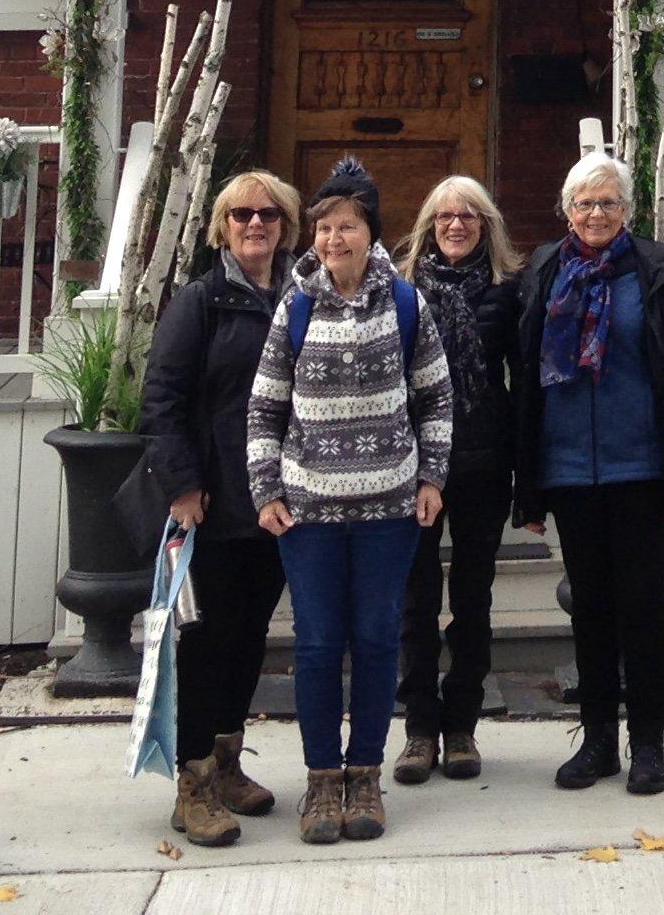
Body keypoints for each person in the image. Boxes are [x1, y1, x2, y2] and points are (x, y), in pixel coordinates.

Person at [247, 156, 452, 847]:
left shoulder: (404, 304)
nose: (335, 239)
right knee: (315, 646)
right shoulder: (296, 305)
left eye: (348, 227)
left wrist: (432, 479)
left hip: (388, 511)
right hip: (307, 516)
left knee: (374, 640)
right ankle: (320, 781)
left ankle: (365, 774)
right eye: (325, 228)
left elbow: (436, 399)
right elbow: (265, 408)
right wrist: (266, 489)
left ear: (372, 235)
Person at [509, 151, 664, 797]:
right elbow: (523, 379)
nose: (596, 213)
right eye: (585, 203)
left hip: (637, 466)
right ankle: (597, 740)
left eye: (608, 202)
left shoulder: (654, 273)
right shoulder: (545, 271)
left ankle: (647, 744)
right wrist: (529, 479)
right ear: (567, 210)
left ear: (626, 210)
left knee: (641, 608)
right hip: (568, 469)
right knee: (590, 608)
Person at [136, 167, 300, 849]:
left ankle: (229, 765)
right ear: (222, 228)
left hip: (282, 502)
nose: (255, 224)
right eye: (241, 216)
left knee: (250, 637)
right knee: (206, 643)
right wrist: (181, 483)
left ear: (285, 225)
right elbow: (163, 395)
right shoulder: (201, 303)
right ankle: (193, 785)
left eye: (268, 214)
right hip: (214, 500)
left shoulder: (302, 296)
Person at [394, 174, 520, 784]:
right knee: (416, 600)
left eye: (469, 215)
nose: (456, 224)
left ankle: (462, 726)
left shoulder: (507, 293)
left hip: (482, 462)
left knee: (472, 598)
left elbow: (521, 383)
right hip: (412, 465)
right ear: (428, 227)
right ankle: (419, 727)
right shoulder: (399, 293)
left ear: (486, 225)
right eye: (444, 216)